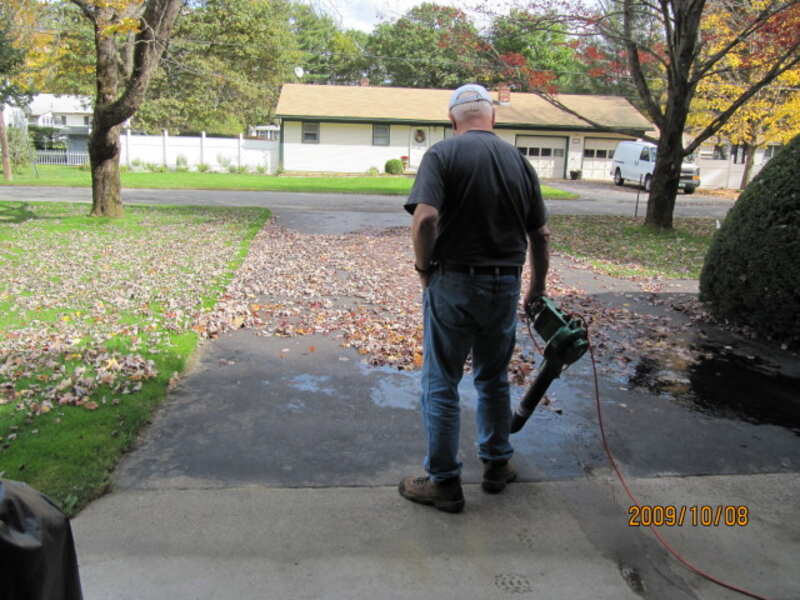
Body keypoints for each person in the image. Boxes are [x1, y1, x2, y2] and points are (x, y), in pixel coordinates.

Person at [400, 83, 550, 513]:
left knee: (441, 381)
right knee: (492, 377)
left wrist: (424, 270)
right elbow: (539, 234)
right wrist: (535, 288)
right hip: (504, 284)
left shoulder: (442, 155)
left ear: (452, 120)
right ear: (493, 119)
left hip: (454, 283)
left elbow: (425, 219)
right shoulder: (519, 162)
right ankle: (497, 465)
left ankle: (444, 482)